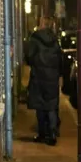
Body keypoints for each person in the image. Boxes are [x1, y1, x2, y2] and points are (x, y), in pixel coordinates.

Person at [26, 16, 64, 146]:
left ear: (41, 24)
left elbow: (29, 57)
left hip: (38, 76)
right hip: (52, 77)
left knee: (40, 106)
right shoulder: (54, 40)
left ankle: (42, 133)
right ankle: (53, 134)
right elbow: (60, 59)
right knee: (52, 105)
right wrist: (58, 74)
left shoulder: (35, 39)